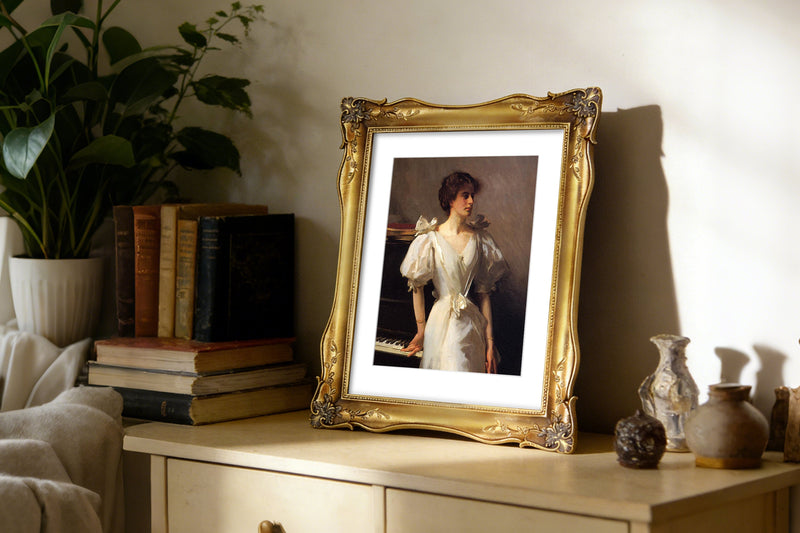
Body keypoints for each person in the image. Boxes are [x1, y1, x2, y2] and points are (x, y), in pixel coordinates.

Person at [400, 171, 508, 373]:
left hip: (471, 324)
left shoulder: (480, 238)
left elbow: (484, 294)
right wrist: (421, 330)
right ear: (450, 199)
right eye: (465, 195)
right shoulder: (430, 238)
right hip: (441, 322)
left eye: (472, 196)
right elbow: (417, 286)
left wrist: (490, 343)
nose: (471, 201)